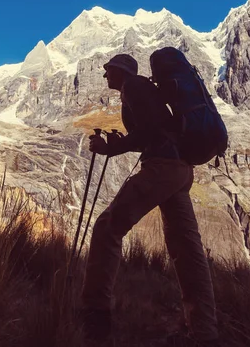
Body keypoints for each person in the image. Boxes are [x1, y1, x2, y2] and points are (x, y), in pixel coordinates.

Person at [80, 53, 219, 346]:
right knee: (187, 250)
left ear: (120, 71)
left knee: (107, 227)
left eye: (108, 70)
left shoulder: (134, 86)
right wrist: (119, 145)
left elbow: (150, 131)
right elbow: (152, 131)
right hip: (180, 170)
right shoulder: (143, 89)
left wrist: (111, 148)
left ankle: (95, 317)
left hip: (162, 169)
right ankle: (204, 332)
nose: (105, 75)